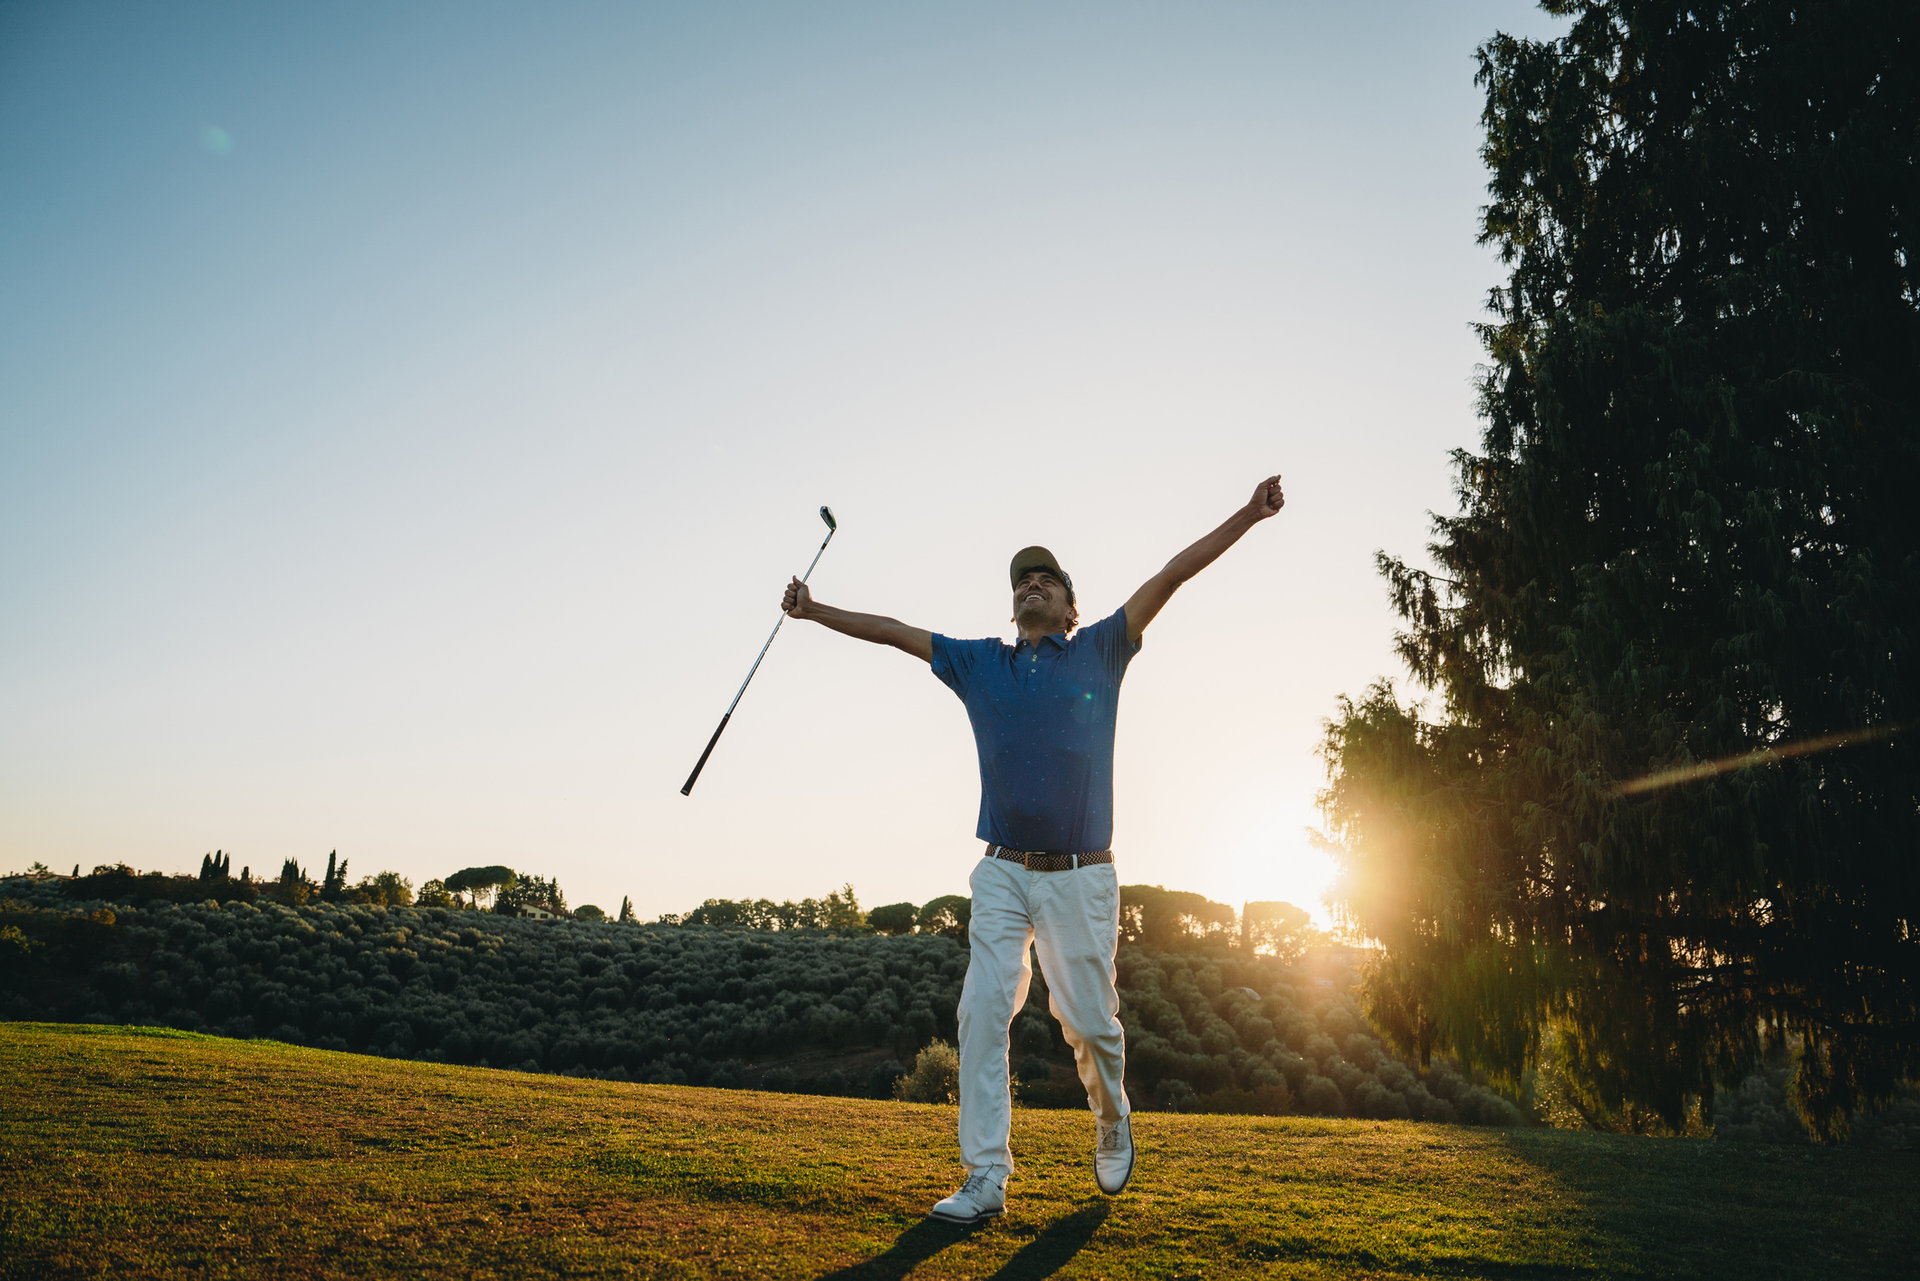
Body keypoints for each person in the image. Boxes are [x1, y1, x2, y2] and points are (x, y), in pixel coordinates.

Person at [780, 473, 1286, 1222]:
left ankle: (1111, 1117)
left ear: (1070, 606)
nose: (1031, 585)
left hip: (1080, 877)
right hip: (1002, 872)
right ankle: (986, 1175)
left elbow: (1173, 572)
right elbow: (892, 629)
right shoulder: (979, 663)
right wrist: (814, 609)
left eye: (1046, 578)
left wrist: (1248, 512)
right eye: (1021, 580)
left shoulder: (1103, 648)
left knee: (1089, 1024)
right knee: (982, 1011)